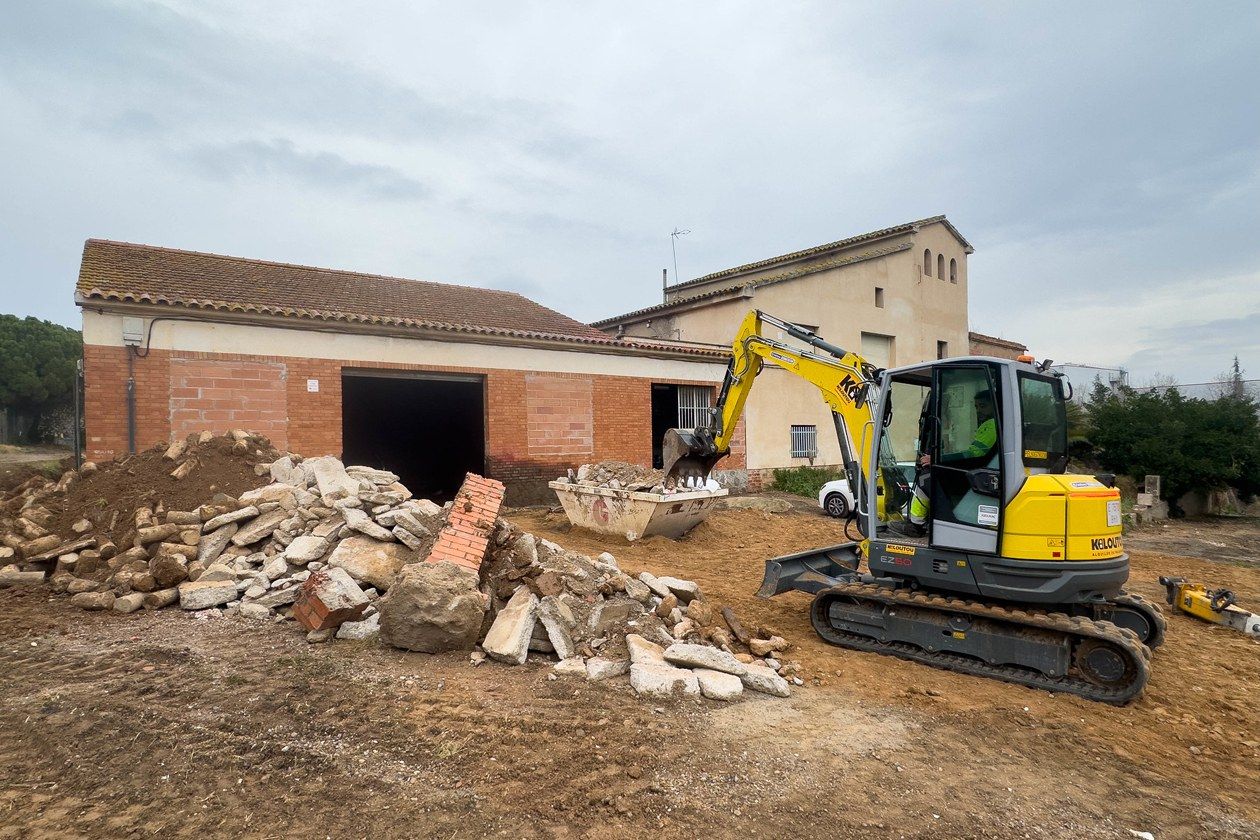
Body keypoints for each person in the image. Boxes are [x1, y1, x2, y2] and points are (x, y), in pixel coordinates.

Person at [893, 389, 997, 537]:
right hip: (981, 474)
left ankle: (916, 526)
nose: (979, 411)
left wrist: (937, 460)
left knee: (925, 479)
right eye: (976, 407)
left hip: (980, 477)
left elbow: (974, 454)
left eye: (983, 406)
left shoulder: (991, 425)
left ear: (994, 406)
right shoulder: (991, 425)